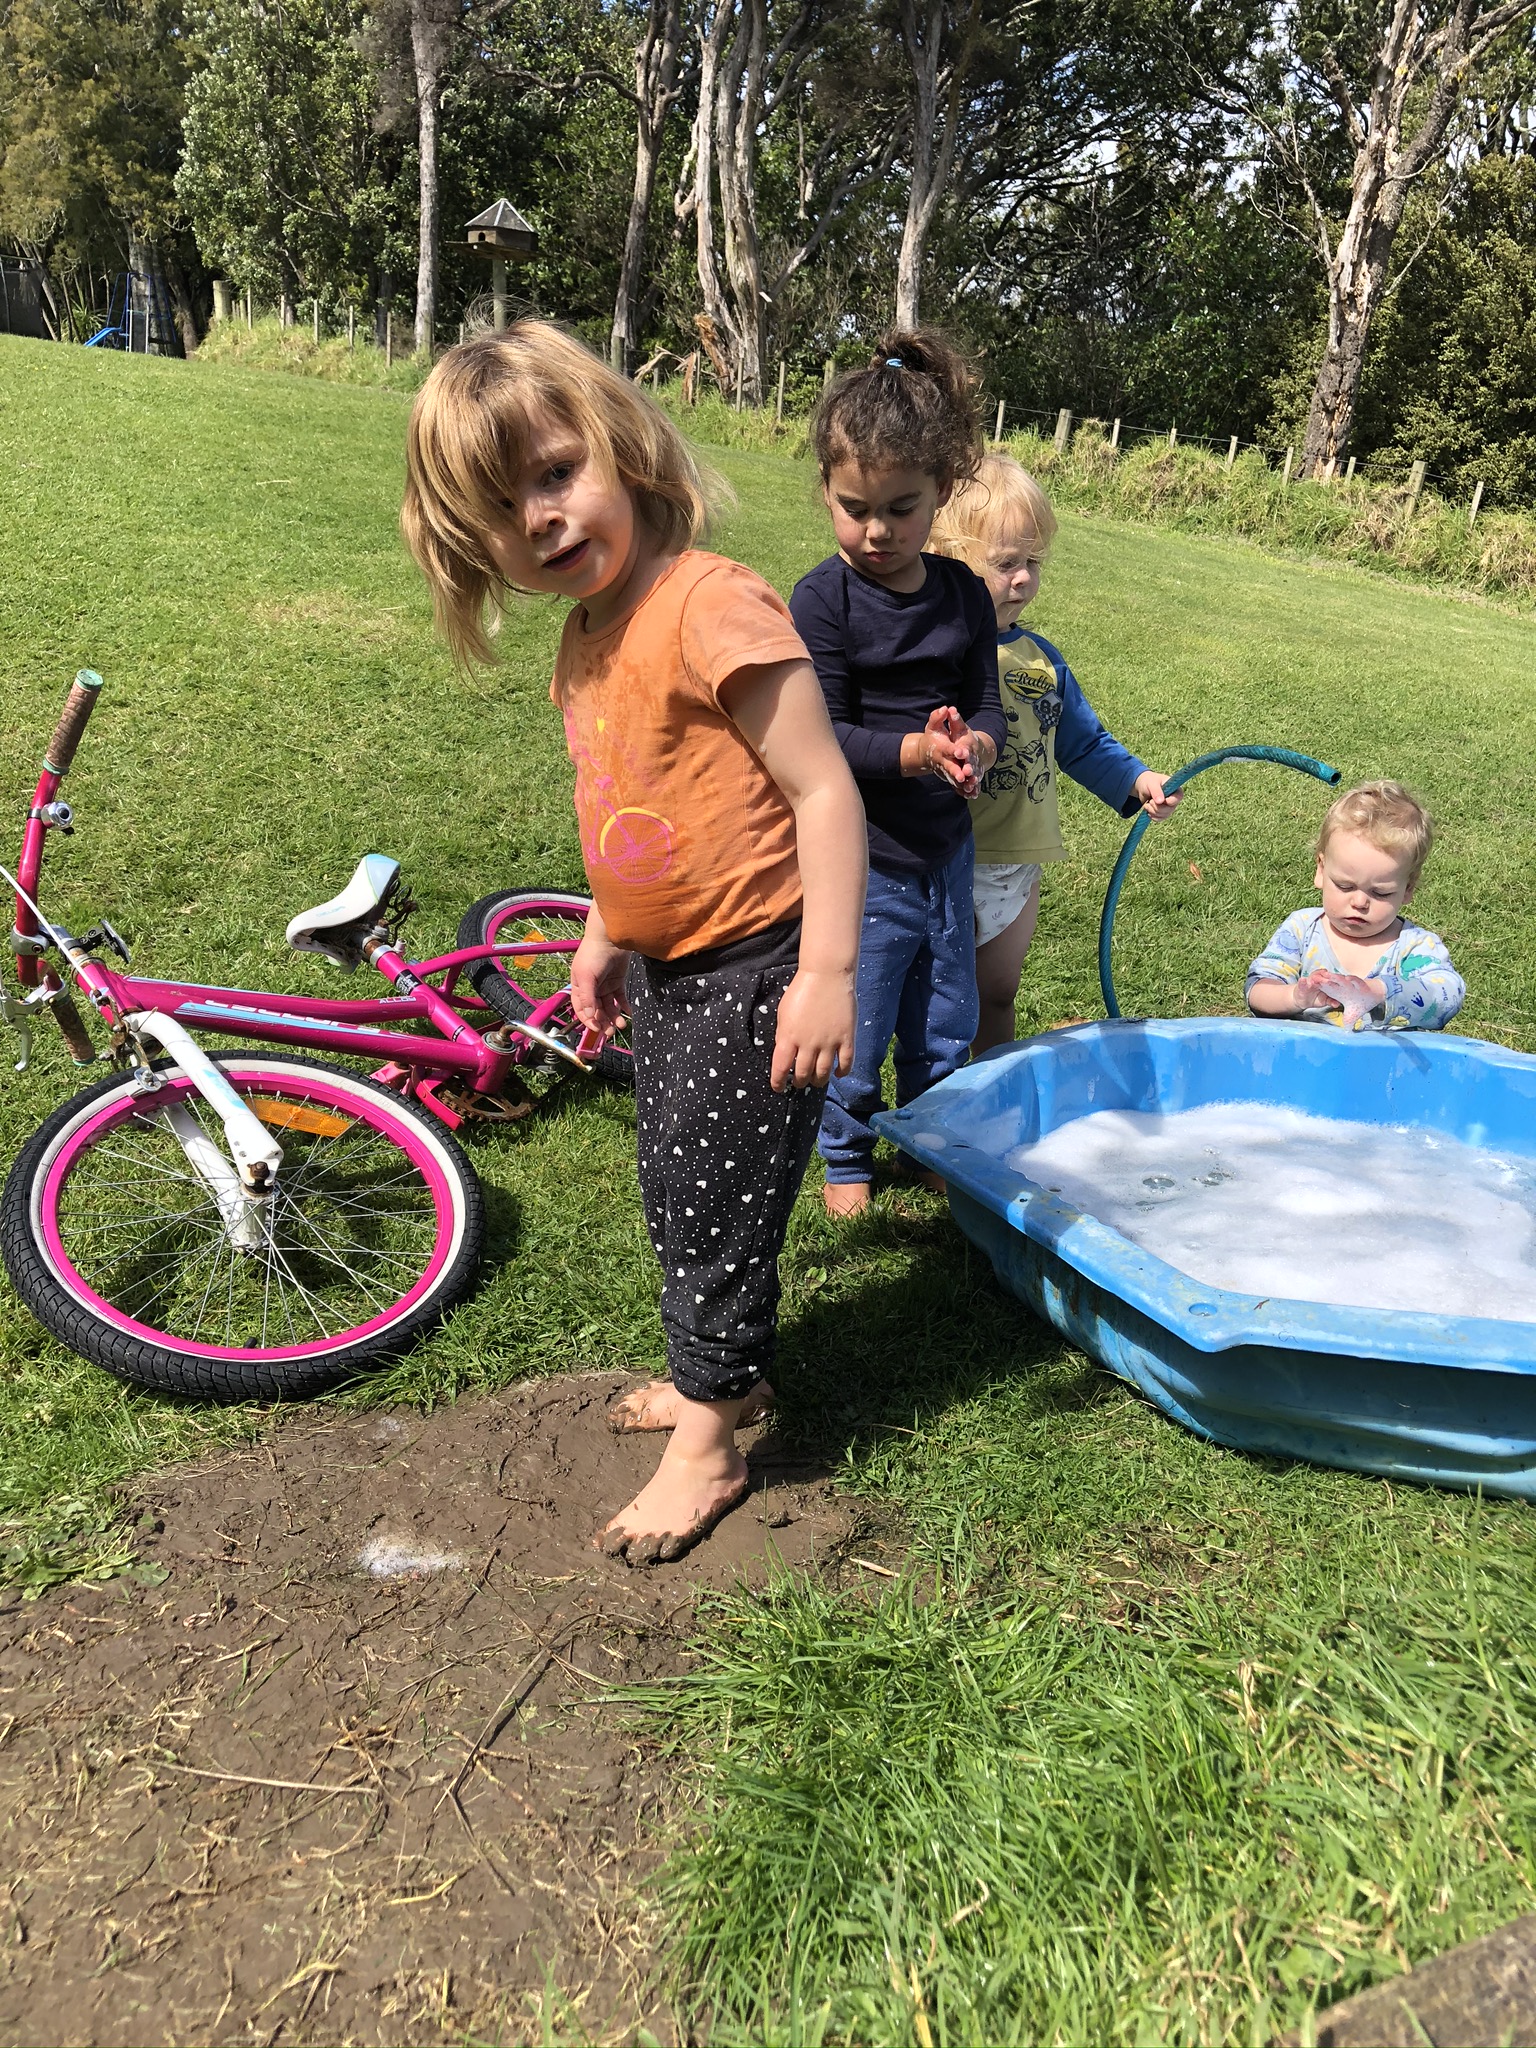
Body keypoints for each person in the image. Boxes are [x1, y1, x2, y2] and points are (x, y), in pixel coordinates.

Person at [401, 322, 866, 1565]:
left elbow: (824, 791)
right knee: (679, 1181)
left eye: (557, 472)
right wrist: (605, 937)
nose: (542, 517)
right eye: (505, 507)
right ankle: (725, 1376)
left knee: (714, 1198)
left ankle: (711, 1441)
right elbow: (632, 807)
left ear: (620, 446)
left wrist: (828, 973)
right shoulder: (586, 635)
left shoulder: (707, 602)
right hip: (672, 970)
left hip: (758, 968)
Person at [789, 330, 1004, 1219]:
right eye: (854, 508)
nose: (876, 530)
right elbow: (822, 738)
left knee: (946, 1015)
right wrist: (914, 752)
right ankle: (845, 1150)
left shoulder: (963, 594)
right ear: (826, 490)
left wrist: (976, 746)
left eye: (901, 509)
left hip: (945, 852)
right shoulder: (823, 601)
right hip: (863, 859)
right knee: (863, 1015)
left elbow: (986, 703)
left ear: (942, 490)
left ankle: (926, 1139)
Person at [929, 454, 1179, 1055]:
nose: (1023, 579)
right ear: (946, 557)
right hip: (945, 858)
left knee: (998, 993)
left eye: (1033, 562)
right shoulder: (931, 654)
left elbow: (1082, 742)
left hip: (1018, 862)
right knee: (938, 1002)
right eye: (1005, 564)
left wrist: (1137, 778)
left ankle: (995, 1091)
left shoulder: (1042, 660)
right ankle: (934, 1096)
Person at [1247, 781, 1464, 1031]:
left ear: (1408, 889)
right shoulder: (1302, 930)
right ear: (1321, 870)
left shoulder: (1414, 947)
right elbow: (1258, 990)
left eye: (1380, 893)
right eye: (1345, 886)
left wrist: (1380, 991)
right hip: (1304, 1055)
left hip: (1384, 1057)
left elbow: (1449, 995)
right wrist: (1295, 996)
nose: (1359, 902)